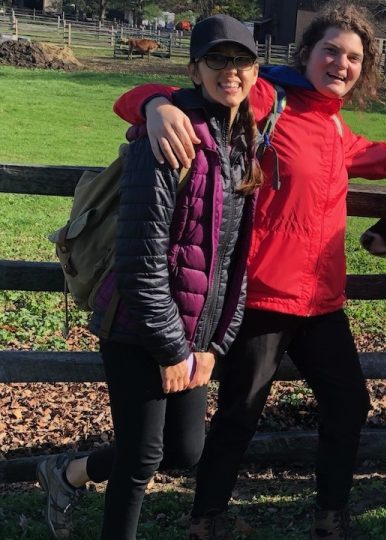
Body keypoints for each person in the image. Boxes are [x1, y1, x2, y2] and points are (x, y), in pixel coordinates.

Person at [112, 6, 386, 539]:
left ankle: (330, 518)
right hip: (264, 296)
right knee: (241, 411)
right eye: (330, 51)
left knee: (349, 403)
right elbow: (174, 94)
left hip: (321, 302)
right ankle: (206, 520)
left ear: (364, 69)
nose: (341, 63)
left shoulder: (334, 126)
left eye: (353, 57)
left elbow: (370, 155)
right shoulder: (269, 99)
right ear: (306, 54)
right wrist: (153, 105)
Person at [35, 14, 262, 540]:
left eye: (241, 60)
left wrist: (213, 346)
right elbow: (141, 260)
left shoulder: (241, 145)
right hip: (138, 324)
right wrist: (172, 350)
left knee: (184, 451)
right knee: (141, 459)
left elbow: (234, 260)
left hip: (193, 335)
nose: (230, 71)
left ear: (255, 70)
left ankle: (64, 472)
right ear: (194, 69)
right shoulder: (163, 140)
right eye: (217, 60)